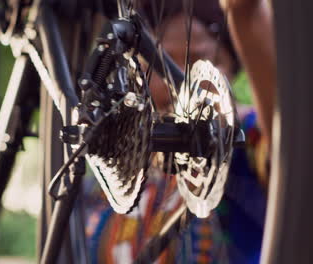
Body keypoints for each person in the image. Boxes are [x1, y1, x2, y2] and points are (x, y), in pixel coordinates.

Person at [84, 0, 275, 263]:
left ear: (229, 67)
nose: (173, 79)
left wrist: (244, 16)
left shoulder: (247, 137)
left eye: (196, 60)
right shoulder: (112, 166)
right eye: (157, 64)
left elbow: (290, 149)